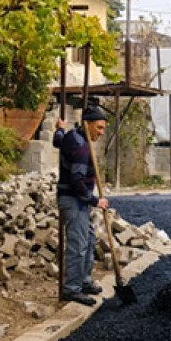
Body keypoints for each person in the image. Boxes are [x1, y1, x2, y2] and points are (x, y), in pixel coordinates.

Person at [56, 106, 108, 306]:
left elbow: (57, 141)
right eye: (99, 128)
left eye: (103, 128)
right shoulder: (82, 148)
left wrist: (60, 128)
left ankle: (84, 280)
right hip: (74, 200)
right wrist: (96, 201)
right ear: (87, 124)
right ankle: (72, 289)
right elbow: (76, 180)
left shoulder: (71, 136)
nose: (101, 133)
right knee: (78, 245)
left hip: (77, 200)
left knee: (89, 238)